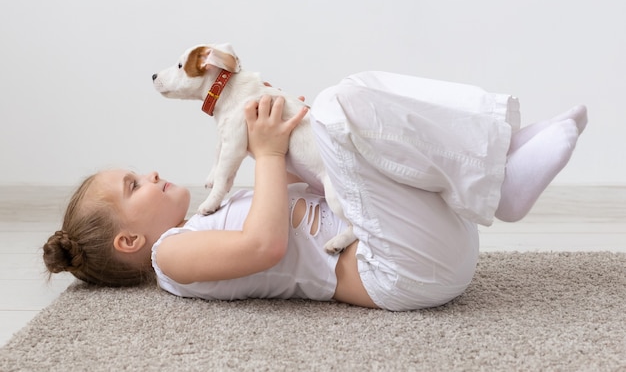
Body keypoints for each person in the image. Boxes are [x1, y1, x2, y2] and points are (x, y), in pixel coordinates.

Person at [43, 71, 587, 311]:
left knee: (343, 102)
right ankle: (500, 181)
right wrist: (271, 155)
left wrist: (294, 142)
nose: (153, 174)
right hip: (395, 272)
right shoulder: (170, 260)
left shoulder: (215, 210)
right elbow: (266, 246)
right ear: (131, 241)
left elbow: (310, 191)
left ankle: (499, 156)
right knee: (338, 109)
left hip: (417, 237)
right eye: (135, 185)